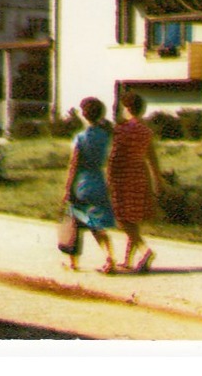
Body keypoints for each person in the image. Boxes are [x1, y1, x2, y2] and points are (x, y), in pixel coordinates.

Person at [107, 91, 163, 272]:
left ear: (127, 108)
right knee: (133, 218)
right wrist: (158, 180)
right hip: (140, 175)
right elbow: (152, 157)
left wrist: (109, 177)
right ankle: (127, 259)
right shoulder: (146, 131)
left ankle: (145, 250)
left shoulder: (121, 130)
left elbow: (115, 156)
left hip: (123, 176)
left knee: (123, 218)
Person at [62, 96, 119, 274]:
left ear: (85, 115)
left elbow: (74, 164)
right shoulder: (105, 136)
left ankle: (73, 262)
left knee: (74, 222)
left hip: (82, 182)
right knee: (97, 225)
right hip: (98, 180)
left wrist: (67, 189)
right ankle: (109, 257)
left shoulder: (80, 137)